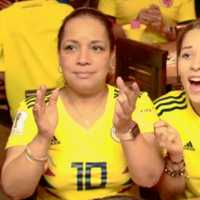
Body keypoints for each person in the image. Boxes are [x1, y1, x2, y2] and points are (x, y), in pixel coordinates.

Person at [1, 8, 164, 200]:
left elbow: (149, 178)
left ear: (112, 58)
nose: (83, 59)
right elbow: (13, 190)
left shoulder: (134, 102)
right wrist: (42, 138)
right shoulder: (35, 107)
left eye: (96, 48)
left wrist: (127, 129)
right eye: (71, 47)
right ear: (59, 58)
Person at [0, 0, 73, 120]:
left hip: (22, 105)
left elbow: (2, 72)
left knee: (28, 137)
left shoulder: (4, 17)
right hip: (64, 96)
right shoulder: (65, 12)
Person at [154, 19, 200, 199]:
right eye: (187, 55)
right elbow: (168, 196)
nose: (195, 65)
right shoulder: (165, 111)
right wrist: (175, 157)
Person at [98, 0, 196, 44]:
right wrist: (136, 24)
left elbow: (191, 35)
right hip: (124, 56)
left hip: (167, 60)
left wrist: (164, 29)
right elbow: (102, 32)